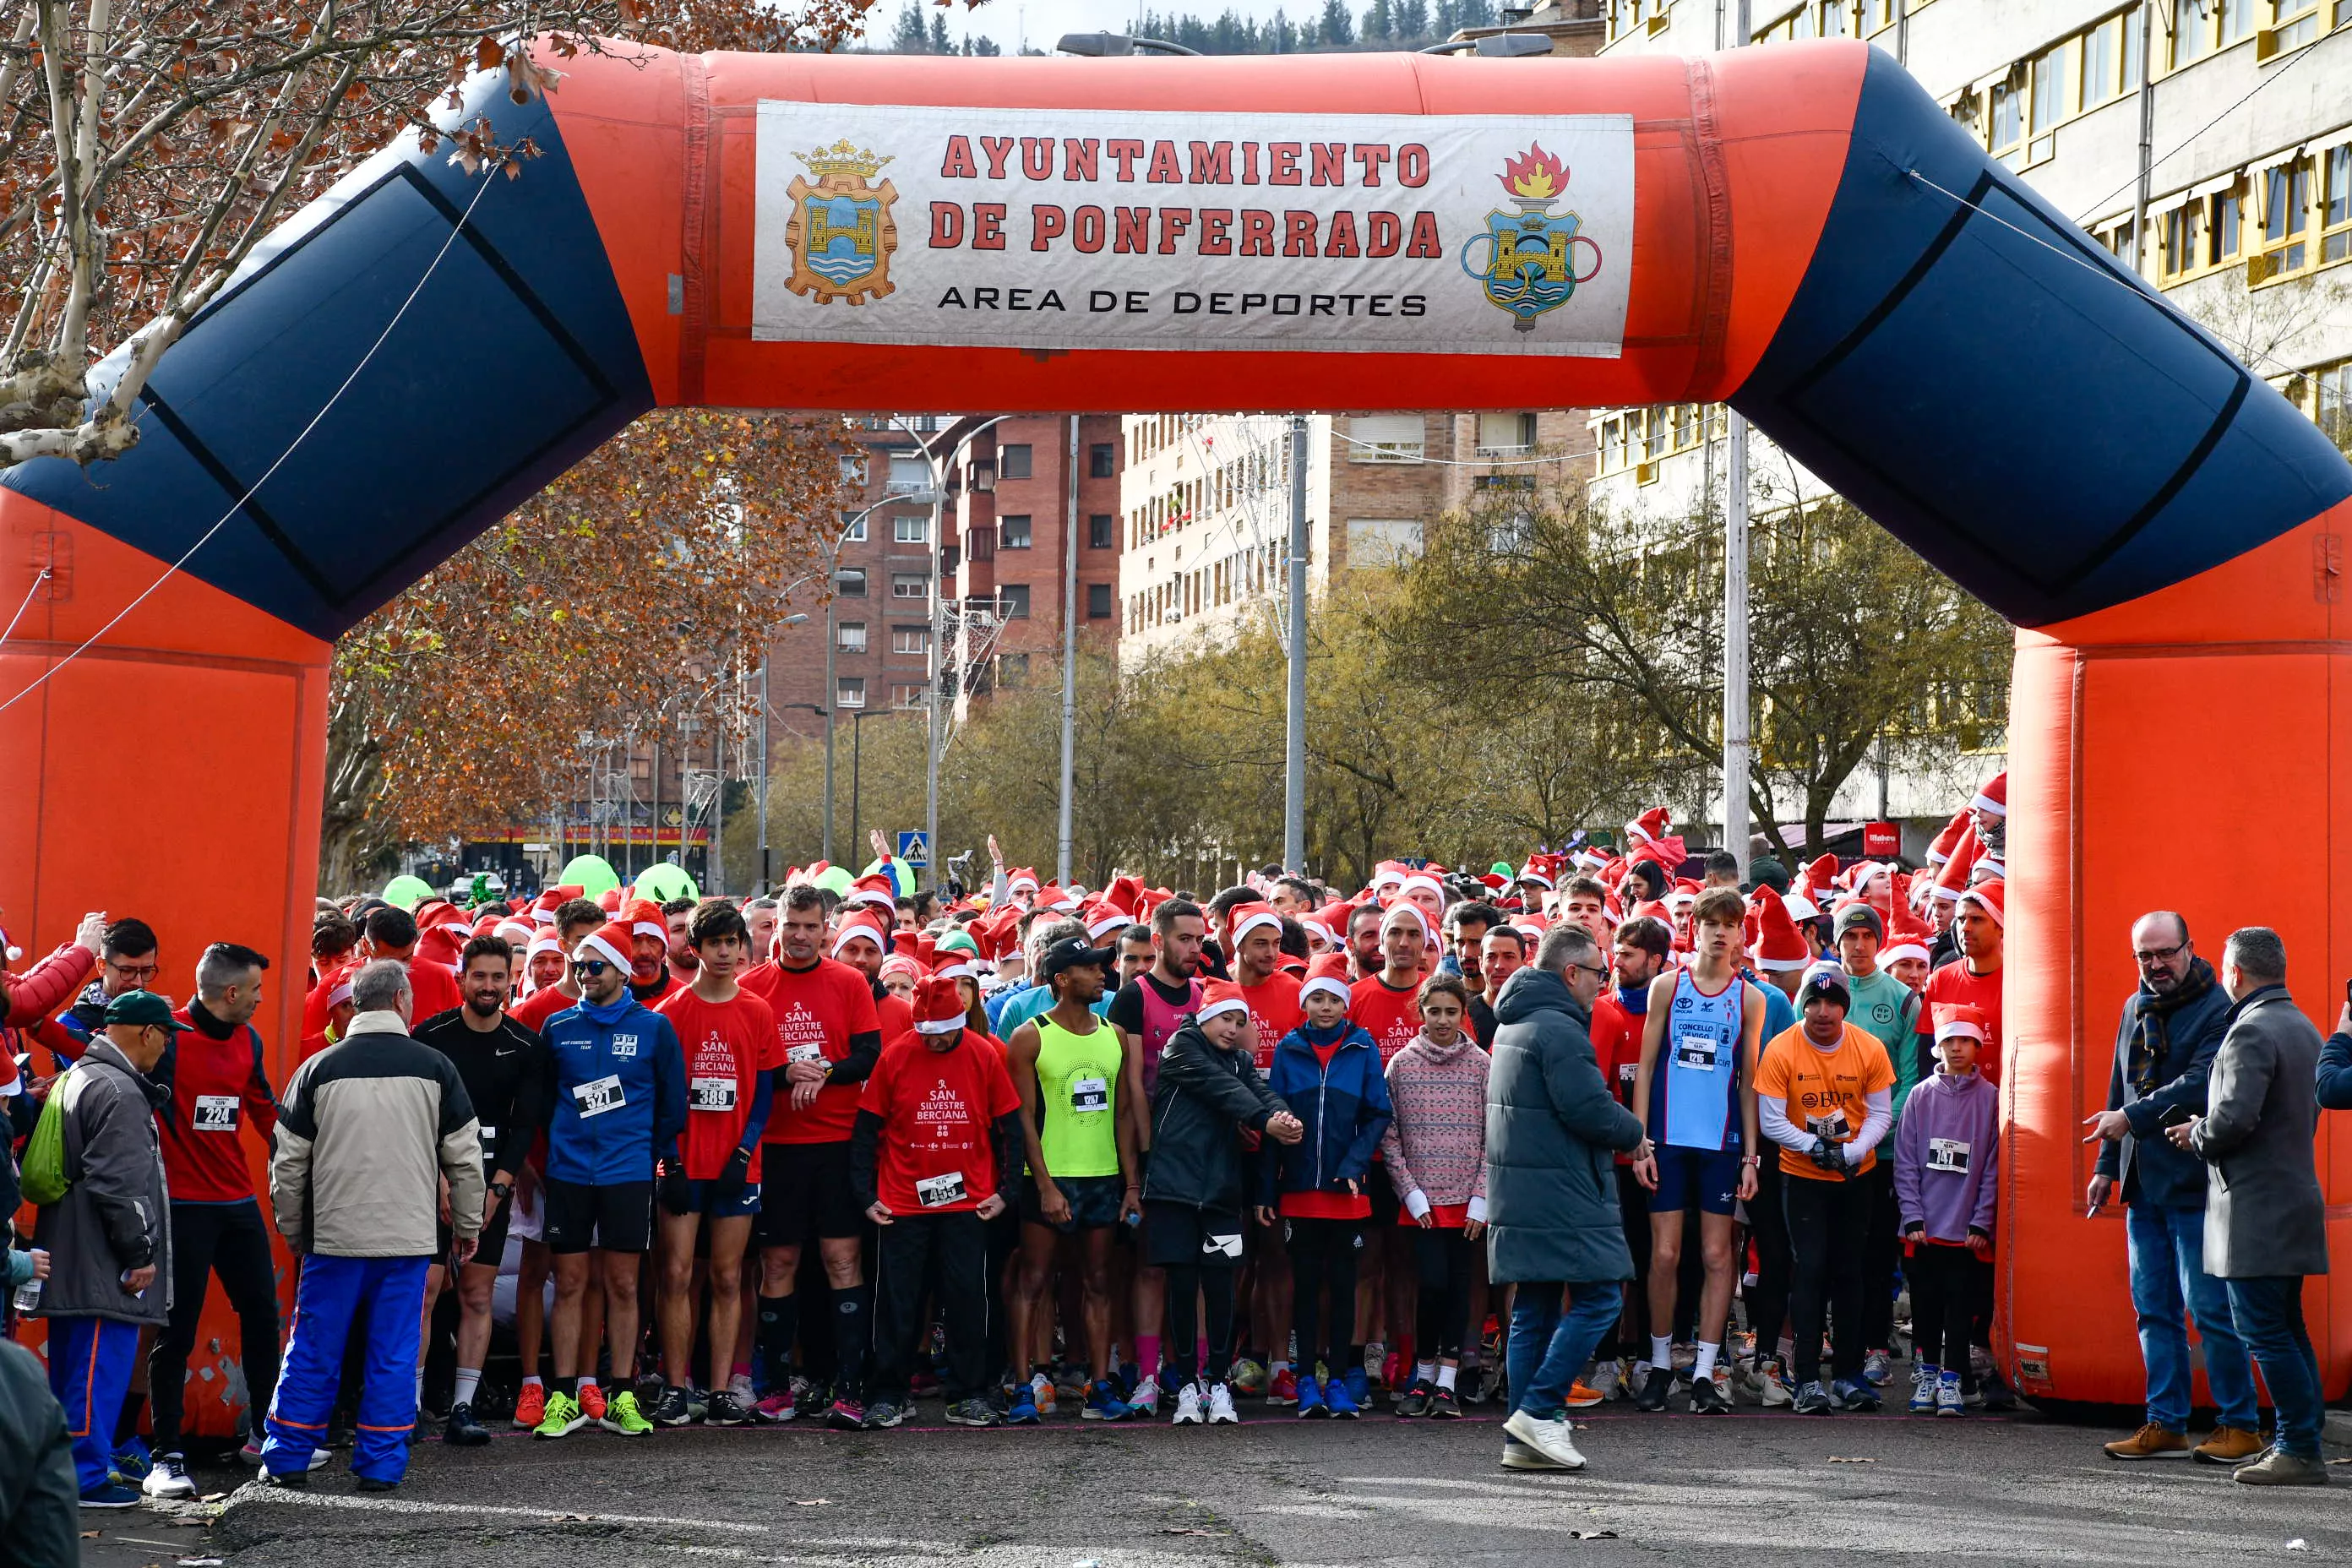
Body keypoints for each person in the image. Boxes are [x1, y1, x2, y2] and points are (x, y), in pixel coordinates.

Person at [263, 961, 483, 1493]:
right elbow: (466, 1157)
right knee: (393, 1351)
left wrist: (293, 1227)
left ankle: (289, 1455)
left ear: (355, 1005)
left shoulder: (316, 1069)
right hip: (408, 1239)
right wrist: (470, 1223)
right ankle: (381, 1464)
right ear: (403, 1001)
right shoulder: (435, 1068)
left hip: (333, 1237)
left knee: (313, 1346)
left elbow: (288, 1162)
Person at [2080, 912, 2257, 1463]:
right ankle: (2166, 1422)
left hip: (2195, 1184)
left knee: (2208, 1310)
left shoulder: (2218, 1010)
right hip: (2143, 1185)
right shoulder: (2135, 1007)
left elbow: (2202, 1084)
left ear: (2189, 948)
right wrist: (2106, 1166)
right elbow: (2120, 1083)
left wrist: (2129, 1118)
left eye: (2165, 952)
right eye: (2145, 956)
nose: (2156, 965)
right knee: (2154, 1309)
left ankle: (2241, 1425)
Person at [2169, 928, 2330, 1487]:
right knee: (2287, 1327)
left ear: (2234, 974)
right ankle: (2303, 1439)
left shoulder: (2251, 1030)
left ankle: (2298, 1447)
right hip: (2291, 1199)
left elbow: (2236, 1118)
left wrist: (2197, 1134)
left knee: (2264, 1331)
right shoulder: (2302, 1026)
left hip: (2254, 1209)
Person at [1484, 924, 1647, 1473]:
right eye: (1599, 974)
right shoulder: (1560, 1029)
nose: (1604, 984)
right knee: (1602, 1297)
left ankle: (1525, 1435)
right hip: (1561, 1188)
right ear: (1571, 973)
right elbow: (1588, 1108)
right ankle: (1537, 1412)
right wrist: (1636, 1133)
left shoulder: (1517, 1020)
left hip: (1527, 1189)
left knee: (1534, 1307)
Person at [531, 920, 687, 1440]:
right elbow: (543, 1102)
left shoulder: (653, 1028)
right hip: (569, 1173)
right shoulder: (558, 1028)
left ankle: (622, 1393)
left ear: (621, 972)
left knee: (623, 1283)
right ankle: (564, 1395)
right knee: (570, 1283)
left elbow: (672, 1104)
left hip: (626, 1175)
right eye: (578, 967)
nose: (583, 975)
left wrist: (652, 1155)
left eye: (594, 967)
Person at [737, 884, 883, 1427]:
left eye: (809, 926)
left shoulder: (848, 982)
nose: (799, 936)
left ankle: (849, 1388)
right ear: (774, 928)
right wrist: (784, 1075)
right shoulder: (752, 987)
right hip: (776, 1148)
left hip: (838, 1145)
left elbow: (870, 1056)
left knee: (842, 1261)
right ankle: (775, 1387)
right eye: (790, 925)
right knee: (777, 1263)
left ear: (827, 930)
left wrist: (824, 1072)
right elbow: (745, 1066)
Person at [852, 975, 1025, 1429]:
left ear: (961, 1021)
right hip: (903, 1204)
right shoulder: (895, 1056)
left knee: (968, 1300)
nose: (936, 1041)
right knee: (896, 1301)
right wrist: (866, 1196)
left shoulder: (984, 1052)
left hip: (968, 1204)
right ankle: (889, 1391)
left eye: (945, 1032)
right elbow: (866, 1130)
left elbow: (1011, 1127)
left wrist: (1007, 1192)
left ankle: (969, 1392)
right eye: (927, 1033)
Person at [143, 945, 282, 1497]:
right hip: (181, 1207)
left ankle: (268, 1438)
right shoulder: (166, 1036)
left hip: (238, 1204)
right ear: (230, 993)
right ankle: (166, 1456)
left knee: (262, 1314)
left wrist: (304, 1155)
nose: (259, 999)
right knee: (175, 1331)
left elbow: (264, 1107)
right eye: (254, 991)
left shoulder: (249, 1040)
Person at [30, 991, 177, 1508]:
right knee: (94, 1376)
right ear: (148, 1032)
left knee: (71, 1373)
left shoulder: (79, 1076)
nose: (166, 1050)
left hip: (70, 1251)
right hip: (102, 1264)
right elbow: (120, 1185)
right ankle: (84, 1477)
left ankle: (63, 1475)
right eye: (165, 1038)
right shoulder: (120, 1091)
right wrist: (140, 1255)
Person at [411, 934, 553, 1446]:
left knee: (476, 1294)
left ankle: (463, 1409)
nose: (489, 986)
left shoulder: (525, 1046)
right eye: (480, 976)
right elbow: (419, 1118)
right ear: (462, 980)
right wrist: (441, 1182)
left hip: (492, 1184)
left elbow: (523, 1128)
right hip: (431, 1183)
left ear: (510, 981)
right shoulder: (430, 1037)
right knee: (424, 1293)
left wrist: (498, 1190)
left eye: (498, 977)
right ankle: (410, 1407)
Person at [1628, 887, 1762, 1415]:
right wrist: (1639, 1140)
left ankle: (1706, 1372)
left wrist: (1751, 1156)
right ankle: (1660, 1365)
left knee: (1715, 1254)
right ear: (1696, 930)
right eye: (1711, 924)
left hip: (1721, 1146)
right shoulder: (1667, 986)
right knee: (1664, 1254)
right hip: (1667, 1140)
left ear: (1739, 934)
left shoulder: (1749, 997)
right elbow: (1645, 1067)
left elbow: (1748, 1082)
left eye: (1730, 924)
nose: (1720, 932)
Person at [1143, 979, 1302, 1424]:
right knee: (1180, 1285)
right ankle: (1188, 1386)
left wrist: (1282, 1115)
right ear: (1204, 1017)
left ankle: (1218, 1384)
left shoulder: (1241, 1060)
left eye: (1239, 1021)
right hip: (1173, 1190)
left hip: (1220, 1193)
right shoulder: (1181, 1048)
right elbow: (1227, 1093)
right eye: (1225, 1019)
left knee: (1219, 1288)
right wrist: (1265, 1119)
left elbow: (1260, 1092)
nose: (1232, 1029)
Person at [651, 902, 780, 1429]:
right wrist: (671, 1160)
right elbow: (658, 1095)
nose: (726, 953)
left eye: (733, 943)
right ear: (695, 949)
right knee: (677, 1275)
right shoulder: (669, 1014)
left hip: (737, 1168)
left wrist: (745, 1152)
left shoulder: (758, 1011)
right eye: (716, 943)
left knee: (729, 1277)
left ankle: (724, 1389)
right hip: (683, 1166)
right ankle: (677, 1387)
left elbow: (765, 1091)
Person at [1006, 938, 1144, 1423]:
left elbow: (1124, 1114)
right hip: (1048, 1176)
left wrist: (1130, 1185)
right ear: (1061, 979)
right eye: (1089, 968)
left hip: (1102, 1178)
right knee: (1033, 1281)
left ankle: (1100, 1385)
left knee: (1100, 1282)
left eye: (1101, 966)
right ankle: (1024, 1387)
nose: (1101, 974)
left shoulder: (1115, 1035)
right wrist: (1044, 1185)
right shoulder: (1030, 1036)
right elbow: (1021, 1119)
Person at [1754, 967, 1893, 1415]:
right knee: (1810, 1270)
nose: (1822, 1012)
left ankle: (1849, 1376)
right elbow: (1771, 1120)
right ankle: (1808, 1380)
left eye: (1832, 1003)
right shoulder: (1781, 1049)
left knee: (1850, 1272)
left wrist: (1851, 1153)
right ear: (1803, 1006)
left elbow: (1880, 1114)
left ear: (1844, 1008)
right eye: (1813, 1002)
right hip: (1802, 1175)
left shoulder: (1868, 1048)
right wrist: (1814, 1146)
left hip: (1856, 1176)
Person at [1261, 956, 1391, 1419]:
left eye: (1335, 998)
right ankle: (1305, 1381)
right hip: (1300, 1191)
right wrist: (1267, 1192)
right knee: (1305, 1288)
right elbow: (1273, 1118)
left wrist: (1354, 1161)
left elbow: (1379, 1113)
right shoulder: (1288, 1050)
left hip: (1347, 1193)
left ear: (1346, 1004)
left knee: (1342, 1289)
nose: (1326, 1006)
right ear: (1304, 1003)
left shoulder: (1362, 1048)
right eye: (1316, 997)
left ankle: (1337, 1379)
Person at [1105, 896, 1207, 1415]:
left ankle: (1198, 1372)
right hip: (1152, 1151)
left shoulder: (1206, 996)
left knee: (1199, 1268)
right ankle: (1146, 1374)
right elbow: (1133, 1088)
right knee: (1149, 1266)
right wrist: (1145, 1160)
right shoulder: (1133, 997)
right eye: (1185, 938)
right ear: (1160, 941)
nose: (1194, 947)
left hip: (1202, 1157)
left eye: (1199, 938)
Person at [1381, 975, 1489, 1419]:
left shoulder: (1483, 1065)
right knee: (1430, 1286)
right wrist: (1410, 1193)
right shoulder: (1401, 1066)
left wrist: (1482, 1199)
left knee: (1461, 1288)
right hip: (1422, 1204)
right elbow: (1390, 1138)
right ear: (1421, 1013)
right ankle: (1422, 1373)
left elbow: (1493, 1139)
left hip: (1468, 1204)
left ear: (1463, 1013)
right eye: (1434, 1011)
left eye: (1451, 1011)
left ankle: (1447, 1379)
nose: (1443, 1020)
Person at [1895, 1004, 1999, 1417]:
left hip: (1966, 1230)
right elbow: (1905, 1162)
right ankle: (1927, 1373)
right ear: (1937, 1047)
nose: (1956, 1049)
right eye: (1948, 1041)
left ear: (1977, 1046)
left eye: (1965, 1041)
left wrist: (1981, 1220)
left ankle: (1953, 1377)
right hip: (1923, 1229)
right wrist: (1912, 1216)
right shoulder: (1920, 1096)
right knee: (1924, 1304)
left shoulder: (1991, 1099)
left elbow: (1992, 1165)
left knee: (1961, 1305)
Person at [1833, 902, 1921, 1390]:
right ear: (1838, 941)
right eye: (1851, 936)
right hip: (1822, 1152)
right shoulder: (1821, 989)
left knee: (1875, 1255)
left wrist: (1869, 1133)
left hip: (1882, 1154)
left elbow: (1909, 1079)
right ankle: (1834, 1344)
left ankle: (1874, 1348)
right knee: (1831, 1254)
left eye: (1868, 936)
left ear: (1879, 941)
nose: (1859, 945)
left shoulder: (1903, 1000)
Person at [56, 917, 158, 1051]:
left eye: (146, 971)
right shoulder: (71, 1023)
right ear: (102, 966)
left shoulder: (156, 1014)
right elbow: (99, 1070)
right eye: (127, 971)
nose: (138, 982)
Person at [360, 905, 463, 1024]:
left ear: (415, 943)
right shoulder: (342, 982)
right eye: (389, 962)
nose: (399, 969)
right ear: (365, 946)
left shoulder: (440, 977)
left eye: (406, 958)